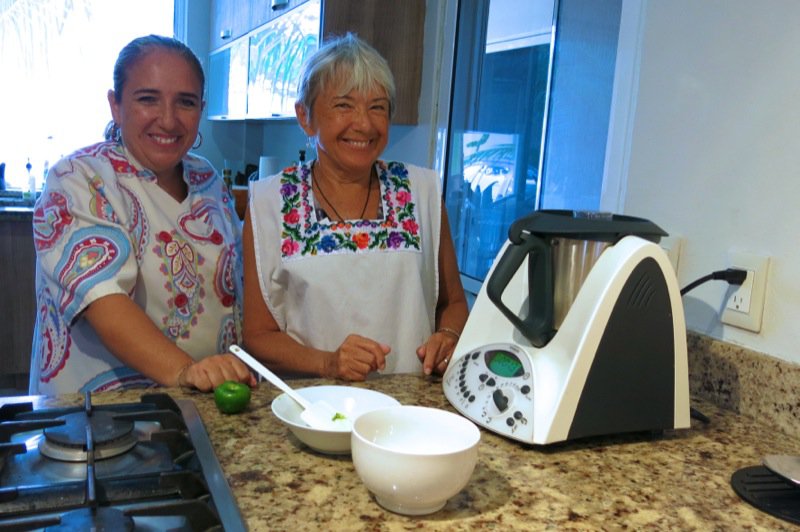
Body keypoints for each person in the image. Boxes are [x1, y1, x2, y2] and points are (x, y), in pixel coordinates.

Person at [29, 35, 255, 395]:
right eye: (148, 99)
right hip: (104, 419)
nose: (168, 119)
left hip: (205, 408)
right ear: (115, 105)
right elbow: (105, 303)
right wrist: (186, 372)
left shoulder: (207, 179)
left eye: (185, 102)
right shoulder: (78, 178)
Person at [242, 33, 468, 380]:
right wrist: (329, 363)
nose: (363, 123)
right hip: (314, 412)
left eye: (377, 106)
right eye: (344, 105)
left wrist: (448, 337)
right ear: (305, 116)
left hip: (407, 412)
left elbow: (451, 303)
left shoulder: (422, 191)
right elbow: (257, 337)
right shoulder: (270, 202)